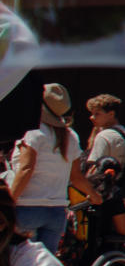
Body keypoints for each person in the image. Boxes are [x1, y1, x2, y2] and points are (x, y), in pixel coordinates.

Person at [8, 84, 82, 255]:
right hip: (57, 211)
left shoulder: (34, 133)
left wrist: (7, 202)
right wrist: (94, 196)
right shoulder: (71, 136)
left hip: (28, 207)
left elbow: (26, 169)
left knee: (19, 264)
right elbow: (76, 177)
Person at [81, 93, 125, 238]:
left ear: (111, 114)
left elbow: (93, 170)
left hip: (105, 199)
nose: (92, 118)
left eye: (97, 114)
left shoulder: (104, 136)